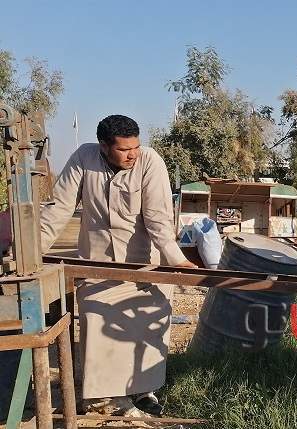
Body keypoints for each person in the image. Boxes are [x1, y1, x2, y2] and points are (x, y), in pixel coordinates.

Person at [40, 114, 196, 417]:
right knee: (99, 326)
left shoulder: (150, 162)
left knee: (147, 329)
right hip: (97, 266)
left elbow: (158, 219)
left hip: (144, 266)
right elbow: (58, 209)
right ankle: (104, 400)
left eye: (135, 147)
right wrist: (33, 253)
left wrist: (177, 260)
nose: (132, 154)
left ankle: (142, 391)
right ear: (104, 146)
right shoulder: (84, 158)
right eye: (124, 150)